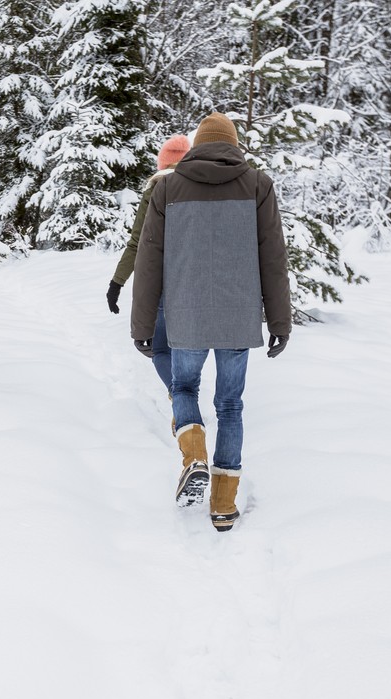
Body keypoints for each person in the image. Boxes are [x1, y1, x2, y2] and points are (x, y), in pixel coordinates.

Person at [130, 112, 291, 531]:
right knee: (231, 405)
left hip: (185, 315)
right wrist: (279, 321)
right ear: (233, 145)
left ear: (198, 145)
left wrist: (142, 325)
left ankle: (194, 454)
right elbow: (273, 258)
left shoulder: (167, 188)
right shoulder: (258, 185)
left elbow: (149, 261)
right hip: (238, 317)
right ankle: (223, 505)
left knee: (183, 387)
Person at [106, 134, 192, 391]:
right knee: (186, 347)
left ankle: (181, 398)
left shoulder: (155, 189)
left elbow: (137, 241)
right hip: (194, 280)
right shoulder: (200, 188)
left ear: (162, 164)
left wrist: (116, 282)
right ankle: (186, 398)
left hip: (162, 281)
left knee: (161, 348)